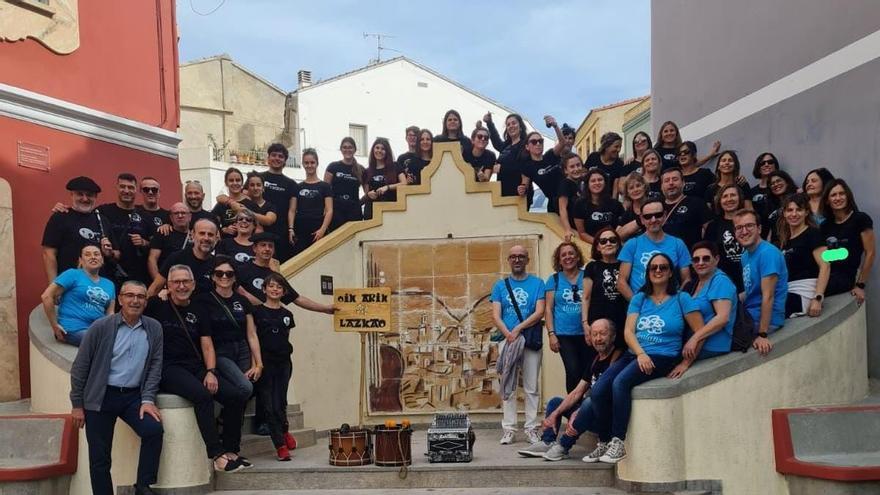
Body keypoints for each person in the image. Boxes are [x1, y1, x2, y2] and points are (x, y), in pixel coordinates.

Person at [587, 253, 704, 464]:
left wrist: (686, 362)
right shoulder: (640, 298)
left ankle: (618, 442)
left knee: (620, 383)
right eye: (653, 268)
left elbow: (700, 332)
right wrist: (640, 353)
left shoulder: (681, 299)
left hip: (663, 356)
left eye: (663, 267)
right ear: (648, 273)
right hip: (637, 354)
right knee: (598, 389)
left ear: (670, 272)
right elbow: (628, 331)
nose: (658, 271)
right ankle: (603, 442)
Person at [145, 265, 249, 473]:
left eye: (186, 282)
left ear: (193, 285)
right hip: (168, 367)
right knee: (202, 396)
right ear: (168, 285)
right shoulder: (156, 305)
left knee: (236, 395)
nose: (181, 286)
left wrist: (210, 371)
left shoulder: (199, 309)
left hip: (195, 365)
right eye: (176, 282)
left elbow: (207, 343)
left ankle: (231, 450)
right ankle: (216, 454)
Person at [69, 280, 163, 495]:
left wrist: (148, 399)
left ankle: (143, 486)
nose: (135, 300)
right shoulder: (101, 327)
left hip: (133, 397)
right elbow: (80, 367)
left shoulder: (154, 328)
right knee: (100, 457)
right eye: (130, 295)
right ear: (120, 299)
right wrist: (77, 405)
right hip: (101, 397)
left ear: (145, 302)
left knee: (153, 430)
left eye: (140, 296)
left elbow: (155, 365)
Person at [253, 272, 335, 461]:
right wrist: (256, 364)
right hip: (265, 364)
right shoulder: (256, 312)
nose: (275, 289)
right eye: (271, 286)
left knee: (281, 401)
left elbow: (285, 338)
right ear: (264, 289)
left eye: (279, 287)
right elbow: (253, 339)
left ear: (284, 292)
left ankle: (285, 430)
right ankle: (280, 445)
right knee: (269, 405)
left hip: (284, 363)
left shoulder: (287, 315)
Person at [517, 320, 622, 460]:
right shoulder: (595, 360)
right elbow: (577, 392)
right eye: (594, 334)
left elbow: (604, 395)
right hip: (588, 414)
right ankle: (548, 441)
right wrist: (554, 414)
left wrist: (577, 413)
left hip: (604, 418)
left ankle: (564, 446)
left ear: (613, 336)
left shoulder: (618, 359)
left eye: (603, 334)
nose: (598, 339)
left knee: (589, 402)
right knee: (555, 403)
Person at [193, 257, 263, 467]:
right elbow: (204, 335)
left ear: (235, 278)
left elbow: (251, 334)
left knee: (244, 395)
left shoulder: (242, 301)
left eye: (229, 274)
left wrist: (258, 363)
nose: (224, 277)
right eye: (220, 273)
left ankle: (232, 448)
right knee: (243, 389)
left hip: (241, 348)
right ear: (213, 277)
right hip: (220, 351)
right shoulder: (204, 300)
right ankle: (224, 422)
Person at [492, 245, 545, 445]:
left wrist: (517, 329)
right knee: (508, 384)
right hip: (508, 340)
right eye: (513, 256)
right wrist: (508, 333)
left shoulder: (538, 283)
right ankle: (509, 428)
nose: (517, 260)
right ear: (509, 260)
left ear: (527, 259)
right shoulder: (500, 286)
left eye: (521, 256)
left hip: (529, 338)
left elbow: (539, 312)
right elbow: (496, 314)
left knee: (531, 386)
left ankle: (531, 427)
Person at [42, 176, 116, 282]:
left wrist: (109, 253)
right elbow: (48, 253)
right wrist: (53, 285)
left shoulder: (103, 220)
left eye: (89, 195)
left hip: (98, 284)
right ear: (72, 195)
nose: (85, 199)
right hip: (68, 283)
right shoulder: (60, 217)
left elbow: (116, 253)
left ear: (95, 197)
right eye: (80, 194)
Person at [735, 208, 788, 356]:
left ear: (759, 228)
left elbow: (768, 296)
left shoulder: (768, 253)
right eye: (739, 228)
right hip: (749, 314)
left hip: (764, 321)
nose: (744, 231)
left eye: (749, 226)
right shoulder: (745, 255)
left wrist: (762, 334)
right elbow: (752, 289)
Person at [617, 198, 691, 301]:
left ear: (665, 216)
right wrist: (637, 305)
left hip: (671, 304)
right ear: (642, 219)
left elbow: (686, 279)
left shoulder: (678, 244)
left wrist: (677, 302)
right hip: (641, 304)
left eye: (658, 215)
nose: (653, 220)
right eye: (648, 216)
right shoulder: (632, 244)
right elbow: (621, 282)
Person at [41, 245, 115, 346]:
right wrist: (54, 325)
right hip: (73, 328)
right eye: (87, 254)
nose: (93, 257)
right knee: (102, 342)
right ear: (80, 260)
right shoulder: (72, 274)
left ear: (102, 260)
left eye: (96, 254)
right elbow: (46, 296)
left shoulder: (109, 284)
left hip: (98, 330)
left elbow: (110, 312)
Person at [679, 242, 737, 365]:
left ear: (716, 260)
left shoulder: (720, 281)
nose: (700, 263)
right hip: (697, 344)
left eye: (706, 258)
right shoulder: (695, 284)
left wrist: (695, 338)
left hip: (713, 346)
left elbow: (723, 318)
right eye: (696, 259)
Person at [544, 242, 591, 393]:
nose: (567, 257)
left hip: (586, 333)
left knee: (587, 372)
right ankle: (572, 410)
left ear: (577, 257)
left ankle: (586, 410)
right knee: (572, 371)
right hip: (564, 334)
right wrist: (551, 334)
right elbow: (548, 309)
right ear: (558, 260)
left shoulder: (587, 276)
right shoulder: (554, 280)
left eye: (571, 253)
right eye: (563, 255)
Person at [820, 178, 875, 304]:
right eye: (833, 195)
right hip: (825, 272)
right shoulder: (825, 225)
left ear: (848, 196)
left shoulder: (861, 219)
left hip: (844, 277)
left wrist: (860, 285)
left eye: (841, 193)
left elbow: (870, 253)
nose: (838, 198)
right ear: (827, 200)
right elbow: (823, 256)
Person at [95, 173, 156, 286]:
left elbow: (156, 245)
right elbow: (82, 215)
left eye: (131, 187)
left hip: (139, 276)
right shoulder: (103, 211)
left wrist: (143, 242)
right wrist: (62, 208)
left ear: (136, 191)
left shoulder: (145, 216)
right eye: (123, 186)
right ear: (117, 188)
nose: (126, 191)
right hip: (108, 275)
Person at [776, 194, 830, 317]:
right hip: (787, 291)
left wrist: (818, 298)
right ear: (784, 213)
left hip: (804, 293)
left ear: (806, 212)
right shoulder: (784, 241)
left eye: (799, 210)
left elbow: (825, 266)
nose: (794, 214)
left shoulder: (813, 234)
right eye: (790, 210)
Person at [583, 227, 628, 349]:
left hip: (621, 320)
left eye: (612, 240)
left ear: (618, 244)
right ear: (597, 247)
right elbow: (586, 297)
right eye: (603, 241)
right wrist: (585, 324)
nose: (608, 243)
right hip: (597, 323)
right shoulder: (592, 267)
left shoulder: (625, 265)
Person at [149, 218, 218, 296]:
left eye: (210, 234)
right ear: (192, 235)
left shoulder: (218, 264)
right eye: (202, 233)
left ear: (216, 237)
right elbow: (155, 288)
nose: (206, 238)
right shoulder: (176, 258)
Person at [259, 143, 299, 262]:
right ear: (268, 158)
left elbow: (292, 210)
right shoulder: (258, 178)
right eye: (274, 155)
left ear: (285, 161)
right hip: (260, 227)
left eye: (280, 156)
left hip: (281, 230)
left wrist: (291, 229)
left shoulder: (291, 184)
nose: (277, 158)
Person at [289, 149, 333, 256]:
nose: (309, 165)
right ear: (303, 164)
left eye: (312, 162)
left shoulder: (325, 186)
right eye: (306, 163)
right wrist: (291, 229)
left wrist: (322, 229)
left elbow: (329, 210)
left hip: (318, 228)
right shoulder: (297, 187)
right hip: (300, 229)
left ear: (317, 164)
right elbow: (292, 210)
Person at [703, 184, 746, 291]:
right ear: (719, 201)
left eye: (733, 195)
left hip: (749, 279)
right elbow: (709, 255)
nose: (729, 199)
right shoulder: (713, 226)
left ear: (740, 198)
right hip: (723, 282)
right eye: (725, 196)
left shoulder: (749, 221)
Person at [660, 167, 711, 249]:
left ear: (683, 183)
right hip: (661, 257)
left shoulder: (697, 203)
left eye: (675, 179)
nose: (671, 183)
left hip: (689, 257)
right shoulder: (655, 206)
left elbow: (710, 230)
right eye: (666, 181)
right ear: (661, 186)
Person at [519, 129, 566, 213]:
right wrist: (521, 190)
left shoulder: (550, 155)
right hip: (555, 204)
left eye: (540, 141)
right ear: (527, 147)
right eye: (533, 142)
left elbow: (562, 142)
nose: (538, 144)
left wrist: (555, 126)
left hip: (570, 196)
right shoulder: (528, 167)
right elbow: (524, 187)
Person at [573, 168, 624, 244]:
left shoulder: (616, 204)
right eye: (593, 181)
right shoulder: (580, 204)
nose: (597, 183)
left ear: (605, 182)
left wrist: (611, 242)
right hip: (591, 245)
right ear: (588, 184)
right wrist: (600, 244)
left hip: (612, 244)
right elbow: (582, 233)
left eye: (600, 180)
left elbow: (621, 226)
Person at [483, 112, 528, 197]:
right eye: (508, 124)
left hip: (518, 194)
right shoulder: (506, 146)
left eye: (514, 123)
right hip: (503, 193)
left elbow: (525, 168)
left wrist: (502, 168)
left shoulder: (525, 146)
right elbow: (496, 142)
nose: (511, 126)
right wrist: (489, 123)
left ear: (520, 126)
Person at [325, 137, 365, 229]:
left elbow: (367, 193)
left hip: (354, 212)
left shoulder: (361, 169)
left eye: (350, 147)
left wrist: (358, 204)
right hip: (336, 211)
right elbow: (325, 191)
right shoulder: (333, 167)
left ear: (355, 149)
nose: (347, 150)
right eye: (345, 147)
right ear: (341, 149)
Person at [147, 202, 191, 281]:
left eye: (183, 213)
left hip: (188, 282)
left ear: (190, 217)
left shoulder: (196, 235)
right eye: (176, 213)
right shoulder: (162, 233)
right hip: (167, 281)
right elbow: (152, 259)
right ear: (171, 217)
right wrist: (159, 284)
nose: (180, 216)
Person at [363, 137, 402, 220]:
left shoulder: (395, 166)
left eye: (383, 149)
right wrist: (369, 194)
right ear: (373, 149)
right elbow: (366, 193)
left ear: (387, 152)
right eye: (377, 148)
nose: (379, 151)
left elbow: (404, 183)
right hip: (371, 211)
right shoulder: (367, 171)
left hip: (390, 210)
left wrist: (387, 187)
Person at [585, 132, 624, 198]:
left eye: (620, 147)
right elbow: (584, 175)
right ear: (606, 146)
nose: (619, 150)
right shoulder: (593, 157)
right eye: (616, 147)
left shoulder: (619, 163)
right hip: (589, 198)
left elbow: (615, 189)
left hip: (607, 200)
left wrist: (613, 204)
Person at [556, 152, 585, 240]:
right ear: (566, 170)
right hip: (574, 227)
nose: (576, 169)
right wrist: (568, 230)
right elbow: (562, 208)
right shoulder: (565, 184)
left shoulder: (582, 183)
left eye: (578, 165)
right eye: (572, 167)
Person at [212, 167, 247, 237]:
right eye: (231, 180)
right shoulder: (221, 205)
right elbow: (211, 223)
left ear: (242, 182)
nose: (235, 183)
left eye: (238, 180)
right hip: (227, 244)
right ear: (226, 183)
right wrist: (223, 229)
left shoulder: (249, 203)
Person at [763, 170, 798, 239]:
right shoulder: (769, 204)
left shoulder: (798, 198)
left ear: (787, 182)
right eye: (772, 183)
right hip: (776, 244)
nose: (775, 184)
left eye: (778, 181)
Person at [750, 152, 780, 223]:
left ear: (775, 165)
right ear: (758, 167)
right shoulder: (751, 192)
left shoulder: (781, 188)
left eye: (770, 162)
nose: (766, 165)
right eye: (762, 163)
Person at [617, 172, 647, 241]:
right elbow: (617, 236)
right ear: (627, 193)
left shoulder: (654, 205)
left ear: (644, 187)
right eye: (631, 188)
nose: (635, 190)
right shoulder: (627, 213)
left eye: (638, 185)